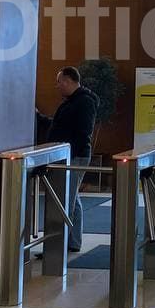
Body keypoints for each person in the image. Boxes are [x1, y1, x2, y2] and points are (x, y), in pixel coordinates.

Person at [37, 66, 97, 252]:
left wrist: (67, 153)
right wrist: (40, 118)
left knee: (64, 200)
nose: (57, 86)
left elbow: (83, 132)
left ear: (68, 81)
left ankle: (57, 247)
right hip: (68, 155)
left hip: (74, 156)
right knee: (72, 198)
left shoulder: (84, 102)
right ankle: (73, 242)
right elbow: (60, 126)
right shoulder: (73, 101)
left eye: (59, 82)